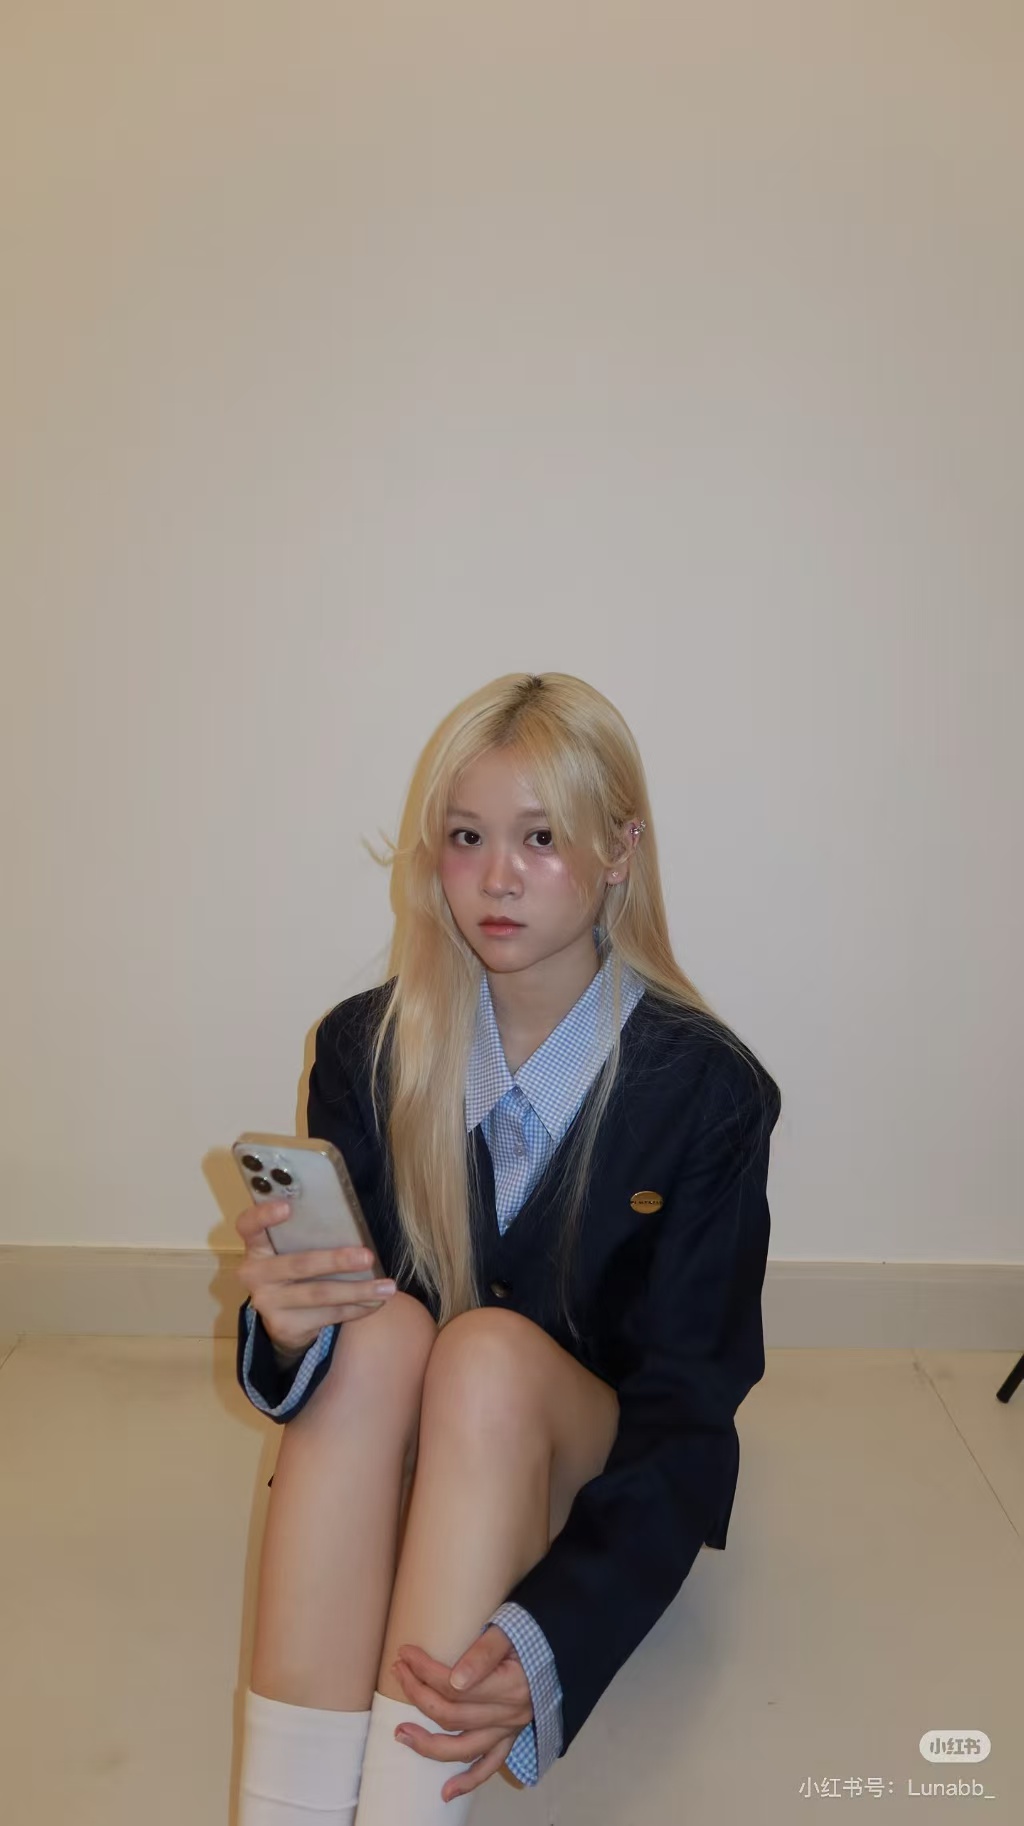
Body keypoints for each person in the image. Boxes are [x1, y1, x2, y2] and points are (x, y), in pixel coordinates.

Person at [233, 670, 782, 1824]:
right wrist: (287, 1323)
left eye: (540, 837)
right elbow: (338, 1353)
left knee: (482, 1352)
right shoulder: (367, 1048)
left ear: (619, 849)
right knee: (370, 1327)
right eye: (466, 836)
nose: (495, 878)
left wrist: (549, 1640)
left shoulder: (707, 1092)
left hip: (576, 1471)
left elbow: (689, 1411)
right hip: (411, 1463)